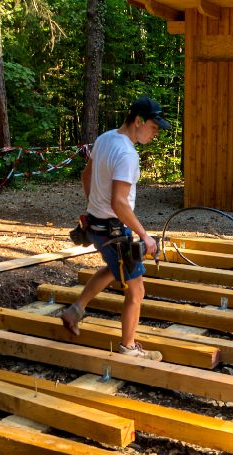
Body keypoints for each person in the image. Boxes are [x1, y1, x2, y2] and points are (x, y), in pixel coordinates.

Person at [58, 96, 171, 360]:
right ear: (139, 121)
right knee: (137, 290)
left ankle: (75, 310)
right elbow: (119, 203)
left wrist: (93, 205)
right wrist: (144, 235)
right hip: (114, 231)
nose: (155, 133)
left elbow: (86, 175)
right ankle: (128, 348)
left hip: (97, 226)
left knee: (113, 268)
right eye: (154, 127)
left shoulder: (105, 138)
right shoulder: (127, 154)